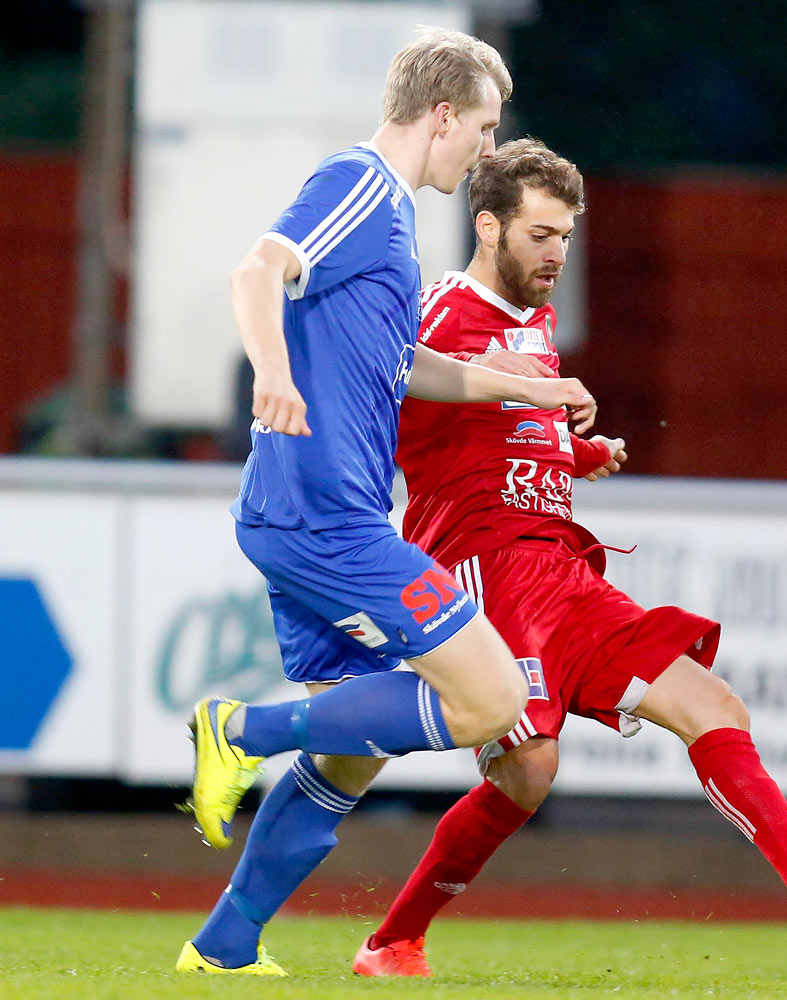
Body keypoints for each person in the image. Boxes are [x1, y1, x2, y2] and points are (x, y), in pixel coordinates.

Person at [350, 138, 787, 978]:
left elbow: (506, 428)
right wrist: (519, 391)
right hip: (481, 567)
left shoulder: (537, 322)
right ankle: (393, 939)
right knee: (529, 769)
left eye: (565, 237)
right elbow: (391, 371)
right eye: (540, 235)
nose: (557, 254)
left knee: (713, 704)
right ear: (488, 227)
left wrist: (572, 452)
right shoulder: (444, 305)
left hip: (561, 570)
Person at [175, 31, 599, 977]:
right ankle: (235, 731)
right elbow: (255, 271)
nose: (487, 151)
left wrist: (527, 391)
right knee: (492, 700)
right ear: (442, 114)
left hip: (322, 512)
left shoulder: (396, 223)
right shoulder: (360, 183)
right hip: (322, 513)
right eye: (484, 128)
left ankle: (225, 944)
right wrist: (273, 374)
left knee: (350, 749)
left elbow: (403, 366)